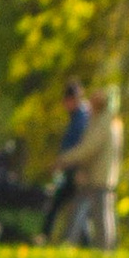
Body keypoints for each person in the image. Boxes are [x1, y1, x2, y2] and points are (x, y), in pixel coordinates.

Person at [59, 85, 122, 248]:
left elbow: (88, 148)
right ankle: (73, 243)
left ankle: (102, 248)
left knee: (100, 216)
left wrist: (64, 159)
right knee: (87, 212)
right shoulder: (106, 121)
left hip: (98, 177)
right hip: (96, 175)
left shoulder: (104, 122)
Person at [40, 81, 89, 238]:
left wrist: (61, 162)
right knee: (75, 209)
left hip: (74, 170)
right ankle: (85, 243)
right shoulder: (78, 117)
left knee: (59, 203)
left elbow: (78, 148)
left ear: (72, 99)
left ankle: (45, 235)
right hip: (70, 168)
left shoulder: (81, 119)